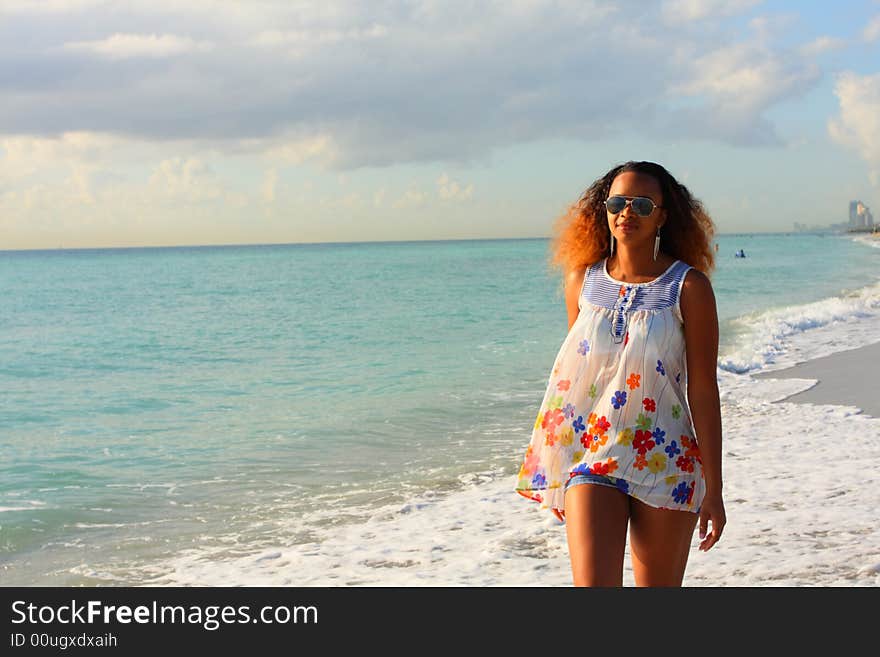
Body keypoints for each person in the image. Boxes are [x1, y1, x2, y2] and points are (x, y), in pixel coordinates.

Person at [515, 160, 726, 586]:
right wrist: (557, 466)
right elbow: (577, 381)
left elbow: (703, 389)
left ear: (663, 216)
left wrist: (715, 490)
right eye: (618, 202)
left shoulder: (688, 288)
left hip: (664, 455)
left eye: (642, 204)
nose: (627, 212)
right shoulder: (582, 281)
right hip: (591, 456)